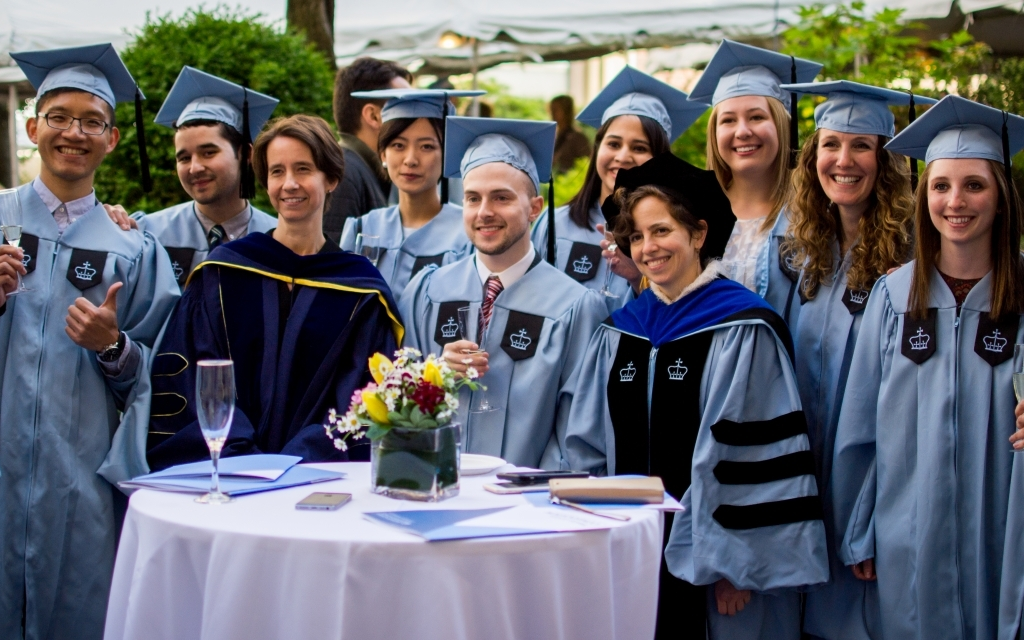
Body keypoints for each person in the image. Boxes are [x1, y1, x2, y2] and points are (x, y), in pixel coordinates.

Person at [564, 152, 827, 639]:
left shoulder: (743, 328)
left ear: (699, 234)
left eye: (662, 230)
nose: (648, 247)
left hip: (714, 569)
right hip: (630, 553)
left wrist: (732, 564)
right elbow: (587, 444)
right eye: (637, 236)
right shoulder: (621, 332)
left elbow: (751, 453)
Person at [1, 44, 180, 639]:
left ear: (112, 141)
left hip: (82, 481)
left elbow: (166, 373)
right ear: (32, 128)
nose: (73, 132)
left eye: (92, 122)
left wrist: (114, 347)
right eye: (59, 118)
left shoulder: (134, 248)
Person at [832, 95, 1024, 640]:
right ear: (924, 197)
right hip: (908, 533)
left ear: (1002, 198)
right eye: (940, 186)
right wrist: (861, 528)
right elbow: (859, 427)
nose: (955, 201)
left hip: (1007, 532)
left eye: (975, 185)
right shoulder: (893, 297)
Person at [145, 115, 403, 471]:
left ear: (331, 179)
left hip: (320, 476)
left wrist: (301, 459)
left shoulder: (360, 289)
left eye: (303, 169)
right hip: (228, 472)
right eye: (277, 172)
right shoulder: (224, 273)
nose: (289, 184)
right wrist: (241, 456)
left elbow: (363, 396)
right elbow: (195, 374)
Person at [775, 80, 927, 640]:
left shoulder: (917, 254)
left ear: (886, 159)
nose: (843, 160)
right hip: (806, 485)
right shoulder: (803, 249)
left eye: (861, 145)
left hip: (871, 493)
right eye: (830, 145)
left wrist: (873, 521)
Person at [400, 116, 607, 469]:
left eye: (501, 198)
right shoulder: (427, 292)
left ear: (534, 209)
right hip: (437, 493)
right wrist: (434, 374)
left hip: (527, 507)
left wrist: (531, 500)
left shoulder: (576, 308)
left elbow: (579, 433)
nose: (484, 212)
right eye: (472, 198)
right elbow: (395, 401)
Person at [532, 66, 708, 312]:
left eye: (639, 148)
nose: (623, 157)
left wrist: (639, 279)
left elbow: (682, 317)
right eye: (613, 144)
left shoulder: (677, 237)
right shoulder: (555, 225)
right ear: (597, 149)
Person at [687, 40, 822, 319]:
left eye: (756, 117)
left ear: (782, 125)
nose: (743, 131)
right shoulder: (690, 214)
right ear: (714, 133)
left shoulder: (814, 213)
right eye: (728, 121)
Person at [131, 67, 279, 288]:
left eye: (209, 153)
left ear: (246, 154)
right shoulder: (147, 234)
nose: (195, 168)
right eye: (184, 158)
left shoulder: (277, 240)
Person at [339, 89, 482, 300]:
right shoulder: (362, 229)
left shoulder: (468, 234)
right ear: (382, 154)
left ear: (448, 155)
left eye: (426, 146)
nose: (410, 159)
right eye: (398, 145)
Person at [324, 57, 412, 241]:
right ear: (374, 116)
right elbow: (332, 263)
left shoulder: (362, 169)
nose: (416, 119)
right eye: (406, 108)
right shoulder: (344, 174)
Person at [549, 94, 591, 174]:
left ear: (566, 111)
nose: (552, 113)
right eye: (551, 110)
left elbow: (586, 164)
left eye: (556, 110)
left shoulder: (578, 137)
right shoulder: (553, 135)